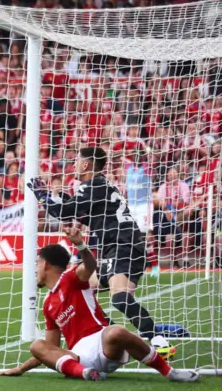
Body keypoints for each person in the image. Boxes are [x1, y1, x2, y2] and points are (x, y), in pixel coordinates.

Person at [0, 227, 199, 383]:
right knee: (37, 345)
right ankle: (86, 373)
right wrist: (21, 368)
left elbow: (91, 266)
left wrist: (81, 246)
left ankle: (170, 372)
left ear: (45, 264)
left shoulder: (71, 278)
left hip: (103, 346)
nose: (35, 269)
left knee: (116, 332)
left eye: (37, 264)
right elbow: (52, 348)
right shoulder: (48, 304)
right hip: (77, 358)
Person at [28, 146, 175, 358]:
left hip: (122, 246)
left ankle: (159, 343)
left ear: (86, 164)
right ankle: (113, 337)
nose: (74, 165)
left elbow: (62, 212)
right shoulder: (102, 185)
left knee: (120, 298)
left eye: (76, 161)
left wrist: (41, 195)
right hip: (123, 246)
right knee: (81, 289)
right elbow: (95, 215)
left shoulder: (91, 185)